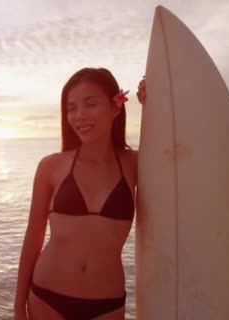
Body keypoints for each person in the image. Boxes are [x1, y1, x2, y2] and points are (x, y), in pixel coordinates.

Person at [14, 68, 146, 320]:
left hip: (106, 305)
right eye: (71, 107)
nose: (79, 116)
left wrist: (155, 103)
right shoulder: (51, 166)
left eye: (90, 104)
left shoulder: (135, 164)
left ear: (116, 106)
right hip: (46, 297)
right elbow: (33, 237)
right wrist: (19, 307)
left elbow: (175, 154)